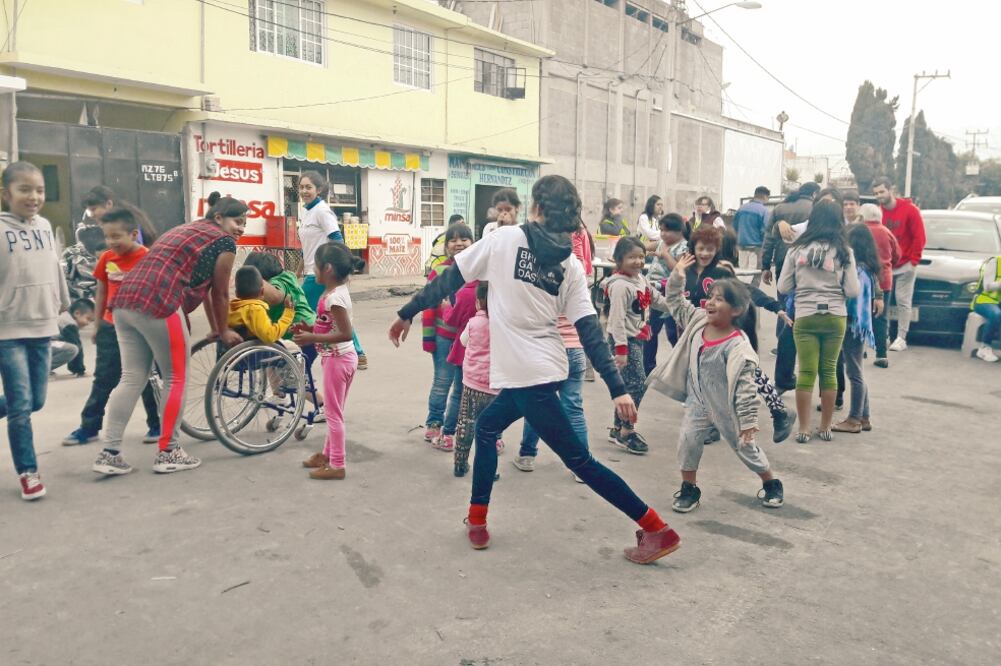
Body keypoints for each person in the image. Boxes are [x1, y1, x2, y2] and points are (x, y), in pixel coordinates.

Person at [389, 174, 680, 565]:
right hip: (544, 370)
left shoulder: (503, 241)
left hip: (532, 378)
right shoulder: (573, 267)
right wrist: (616, 387)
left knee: (581, 461)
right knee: (487, 426)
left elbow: (449, 279)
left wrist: (407, 313)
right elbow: (589, 330)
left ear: (537, 209)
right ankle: (477, 520)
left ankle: (656, 528)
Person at [91, 196, 246, 477]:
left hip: (125, 300)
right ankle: (169, 451)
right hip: (160, 300)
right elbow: (221, 292)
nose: (241, 228)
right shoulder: (223, 242)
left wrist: (216, 326)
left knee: (131, 378)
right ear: (219, 217)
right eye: (237, 221)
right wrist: (223, 331)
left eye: (244, 223)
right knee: (176, 376)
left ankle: (109, 452)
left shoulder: (185, 229)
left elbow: (209, 289)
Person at [649, 254, 784, 512]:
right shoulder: (699, 319)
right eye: (710, 297)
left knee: (745, 448)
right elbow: (676, 303)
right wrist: (676, 277)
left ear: (736, 310)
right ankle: (689, 489)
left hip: (727, 407)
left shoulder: (738, 346)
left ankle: (771, 482)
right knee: (688, 441)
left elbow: (746, 391)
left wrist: (747, 424)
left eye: (718, 299)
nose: (710, 302)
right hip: (697, 400)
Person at [62, 205, 162, 447]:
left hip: (141, 329)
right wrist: (97, 326)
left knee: (146, 378)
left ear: (133, 234)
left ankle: (156, 424)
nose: (111, 241)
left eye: (116, 236)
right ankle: (89, 427)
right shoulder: (107, 258)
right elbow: (102, 291)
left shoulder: (148, 258)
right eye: (107, 236)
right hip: (110, 325)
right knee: (103, 378)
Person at [0, 161, 70, 500]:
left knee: (35, 401)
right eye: (24, 189)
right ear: (5, 194)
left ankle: (16, 410)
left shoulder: (44, 225)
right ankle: (28, 472)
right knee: (21, 405)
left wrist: (63, 301)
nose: (33, 197)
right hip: (7, 329)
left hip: (43, 324)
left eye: (39, 190)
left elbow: (54, 268)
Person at [777, 200, 860, 443]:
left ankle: (803, 429)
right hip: (835, 316)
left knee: (805, 372)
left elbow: (783, 286)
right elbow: (853, 290)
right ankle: (825, 427)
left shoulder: (795, 250)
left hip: (805, 314)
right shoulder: (845, 251)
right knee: (829, 370)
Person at [295, 243, 359, 480]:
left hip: (338, 359)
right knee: (335, 411)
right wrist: (309, 328)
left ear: (328, 269)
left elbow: (345, 333)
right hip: (340, 358)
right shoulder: (333, 294)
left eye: (316, 267)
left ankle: (338, 464)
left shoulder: (335, 299)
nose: (313, 272)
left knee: (333, 414)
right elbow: (327, 324)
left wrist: (312, 337)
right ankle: (326, 454)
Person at [604, 236, 671, 454]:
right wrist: (620, 351)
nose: (638, 262)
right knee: (637, 384)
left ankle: (618, 427)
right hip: (624, 341)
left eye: (641, 257)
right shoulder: (620, 286)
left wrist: (680, 309)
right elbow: (616, 321)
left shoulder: (640, 279)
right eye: (631, 257)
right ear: (618, 259)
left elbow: (656, 299)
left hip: (636, 338)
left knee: (629, 384)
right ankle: (626, 430)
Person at [296, 173, 369, 370]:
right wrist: (297, 273)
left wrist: (341, 270)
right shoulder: (307, 213)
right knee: (331, 314)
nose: (304, 191)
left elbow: (337, 239)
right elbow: (307, 248)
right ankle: (356, 352)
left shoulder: (322, 211)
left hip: (322, 273)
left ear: (318, 190)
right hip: (312, 271)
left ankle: (306, 354)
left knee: (304, 311)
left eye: (308, 187)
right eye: (301, 187)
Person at [762, 182, 819, 392]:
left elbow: (769, 239)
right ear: (814, 193)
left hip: (783, 263)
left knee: (784, 307)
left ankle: (783, 345)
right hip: (811, 267)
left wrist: (765, 265)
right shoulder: (816, 208)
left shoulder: (780, 209)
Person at [421, 223, 474, 448]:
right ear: (446, 246)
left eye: (464, 239)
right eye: (452, 240)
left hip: (471, 339)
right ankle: (434, 422)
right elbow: (428, 306)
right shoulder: (439, 270)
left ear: (473, 243)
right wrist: (429, 339)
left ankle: (454, 426)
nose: (458, 243)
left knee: (463, 385)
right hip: (444, 337)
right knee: (442, 381)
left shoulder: (477, 270)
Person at [833, 224, 885, 433]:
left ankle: (854, 419)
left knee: (854, 372)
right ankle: (864, 416)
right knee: (857, 371)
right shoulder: (869, 269)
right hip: (860, 325)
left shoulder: (859, 271)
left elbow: (853, 300)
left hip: (852, 324)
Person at [872, 176, 925, 353]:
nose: (879, 196)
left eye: (882, 191)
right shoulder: (878, 212)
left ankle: (901, 337)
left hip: (906, 264)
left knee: (903, 300)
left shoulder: (910, 210)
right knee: (883, 301)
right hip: (886, 266)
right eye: (876, 193)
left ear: (890, 190)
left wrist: (914, 261)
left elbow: (919, 237)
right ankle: (883, 335)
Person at [452, 282, 496, 477]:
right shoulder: (503, 325)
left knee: (466, 424)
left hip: (471, 384)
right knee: (490, 431)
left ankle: (460, 465)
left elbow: (462, 341)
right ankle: (488, 470)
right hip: (495, 387)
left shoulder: (473, 323)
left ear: (478, 302)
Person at [643, 213, 687, 375]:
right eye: (660, 230)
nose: (662, 234)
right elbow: (651, 245)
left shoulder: (683, 247)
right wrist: (637, 247)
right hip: (652, 291)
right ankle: (648, 368)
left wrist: (666, 255)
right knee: (649, 331)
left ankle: (684, 368)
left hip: (671, 293)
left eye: (666, 231)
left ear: (679, 231)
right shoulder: (662, 242)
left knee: (673, 334)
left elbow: (679, 269)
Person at [858, 203, 900, 368]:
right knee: (881, 318)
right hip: (884, 280)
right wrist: (888, 266)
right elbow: (897, 255)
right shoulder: (886, 232)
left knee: (861, 314)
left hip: (863, 279)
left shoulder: (859, 231)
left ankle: (860, 349)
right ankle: (881, 354)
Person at [228, 266, 295, 344]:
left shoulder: (231, 308)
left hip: (237, 352)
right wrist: (288, 314)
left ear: (236, 293)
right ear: (262, 291)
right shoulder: (255, 310)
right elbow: (269, 336)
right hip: (256, 353)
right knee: (293, 347)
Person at [732, 186, 770, 287]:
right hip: (756, 247)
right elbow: (765, 230)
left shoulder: (741, 208)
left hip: (741, 247)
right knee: (754, 275)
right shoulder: (764, 211)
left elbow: (734, 227)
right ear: (765, 196)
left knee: (741, 273)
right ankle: (752, 299)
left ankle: (740, 295)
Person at [970, 254, 1001, 363]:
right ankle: (984, 348)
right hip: (985, 301)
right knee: (996, 314)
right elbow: (987, 286)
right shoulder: (995, 262)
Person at [51, 298, 94, 375]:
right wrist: (80, 370)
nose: (88, 323)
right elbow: (77, 346)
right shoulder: (69, 324)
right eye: (88, 319)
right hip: (47, 345)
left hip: (45, 344)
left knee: (70, 347)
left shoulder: (65, 317)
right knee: (72, 349)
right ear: (77, 313)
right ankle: (41, 368)